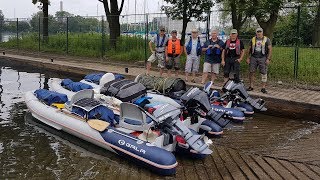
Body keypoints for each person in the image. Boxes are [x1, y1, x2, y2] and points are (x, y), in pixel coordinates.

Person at [246, 27, 272, 94]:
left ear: (262, 32)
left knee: (264, 73)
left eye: (260, 32)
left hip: (263, 57)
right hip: (253, 57)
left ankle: (263, 88)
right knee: (251, 72)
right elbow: (248, 49)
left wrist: (268, 59)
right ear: (256, 33)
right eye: (258, 32)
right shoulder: (253, 39)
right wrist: (248, 58)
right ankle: (251, 86)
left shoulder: (267, 39)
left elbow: (270, 49)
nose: (259, 33)